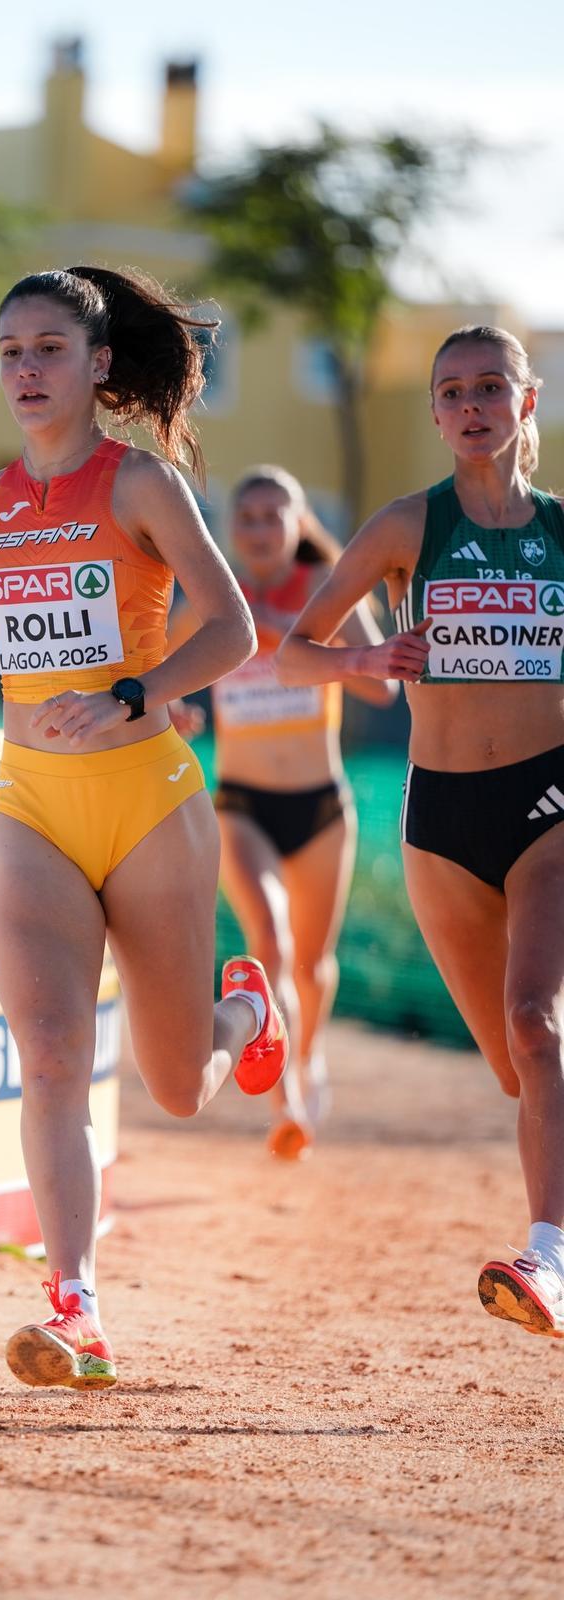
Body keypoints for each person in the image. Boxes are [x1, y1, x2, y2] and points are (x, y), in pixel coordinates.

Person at [0, 266, 289, 1390]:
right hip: (32, 803)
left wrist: (136, 691)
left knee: (180, 1084)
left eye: (47, 350)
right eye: (10, 352)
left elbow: (233, 633)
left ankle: (244, 1008)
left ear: (98, 367)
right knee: (50, 1059)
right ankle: (76, 1305)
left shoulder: (142, 486)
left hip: (148, 801)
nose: (25, 370)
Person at [275, 324, 564, 1339]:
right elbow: (294, 649)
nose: (472, 403)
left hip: (548, 805)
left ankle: (550, 1257)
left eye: (493, 385)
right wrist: (365, 662)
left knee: (539, 1027)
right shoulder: (408, 526)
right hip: (438, 818)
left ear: (527, 403)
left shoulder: (563, 534)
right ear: (436, 413)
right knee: (515, 1066)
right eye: (451, 391)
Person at [167, 467, 395, 1159]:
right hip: (242, 805)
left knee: (314, 966)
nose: (262, 530)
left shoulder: (326, 596)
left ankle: (309, 1055)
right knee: (272, 945)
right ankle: (285, 1097)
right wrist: (174, 707)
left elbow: (384, 689)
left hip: (323, 805)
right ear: (231, 532)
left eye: (275, 517)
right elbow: (157, 677)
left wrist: (288, 639)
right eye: (249, 518)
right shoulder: (215, 600)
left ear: (299, 525)